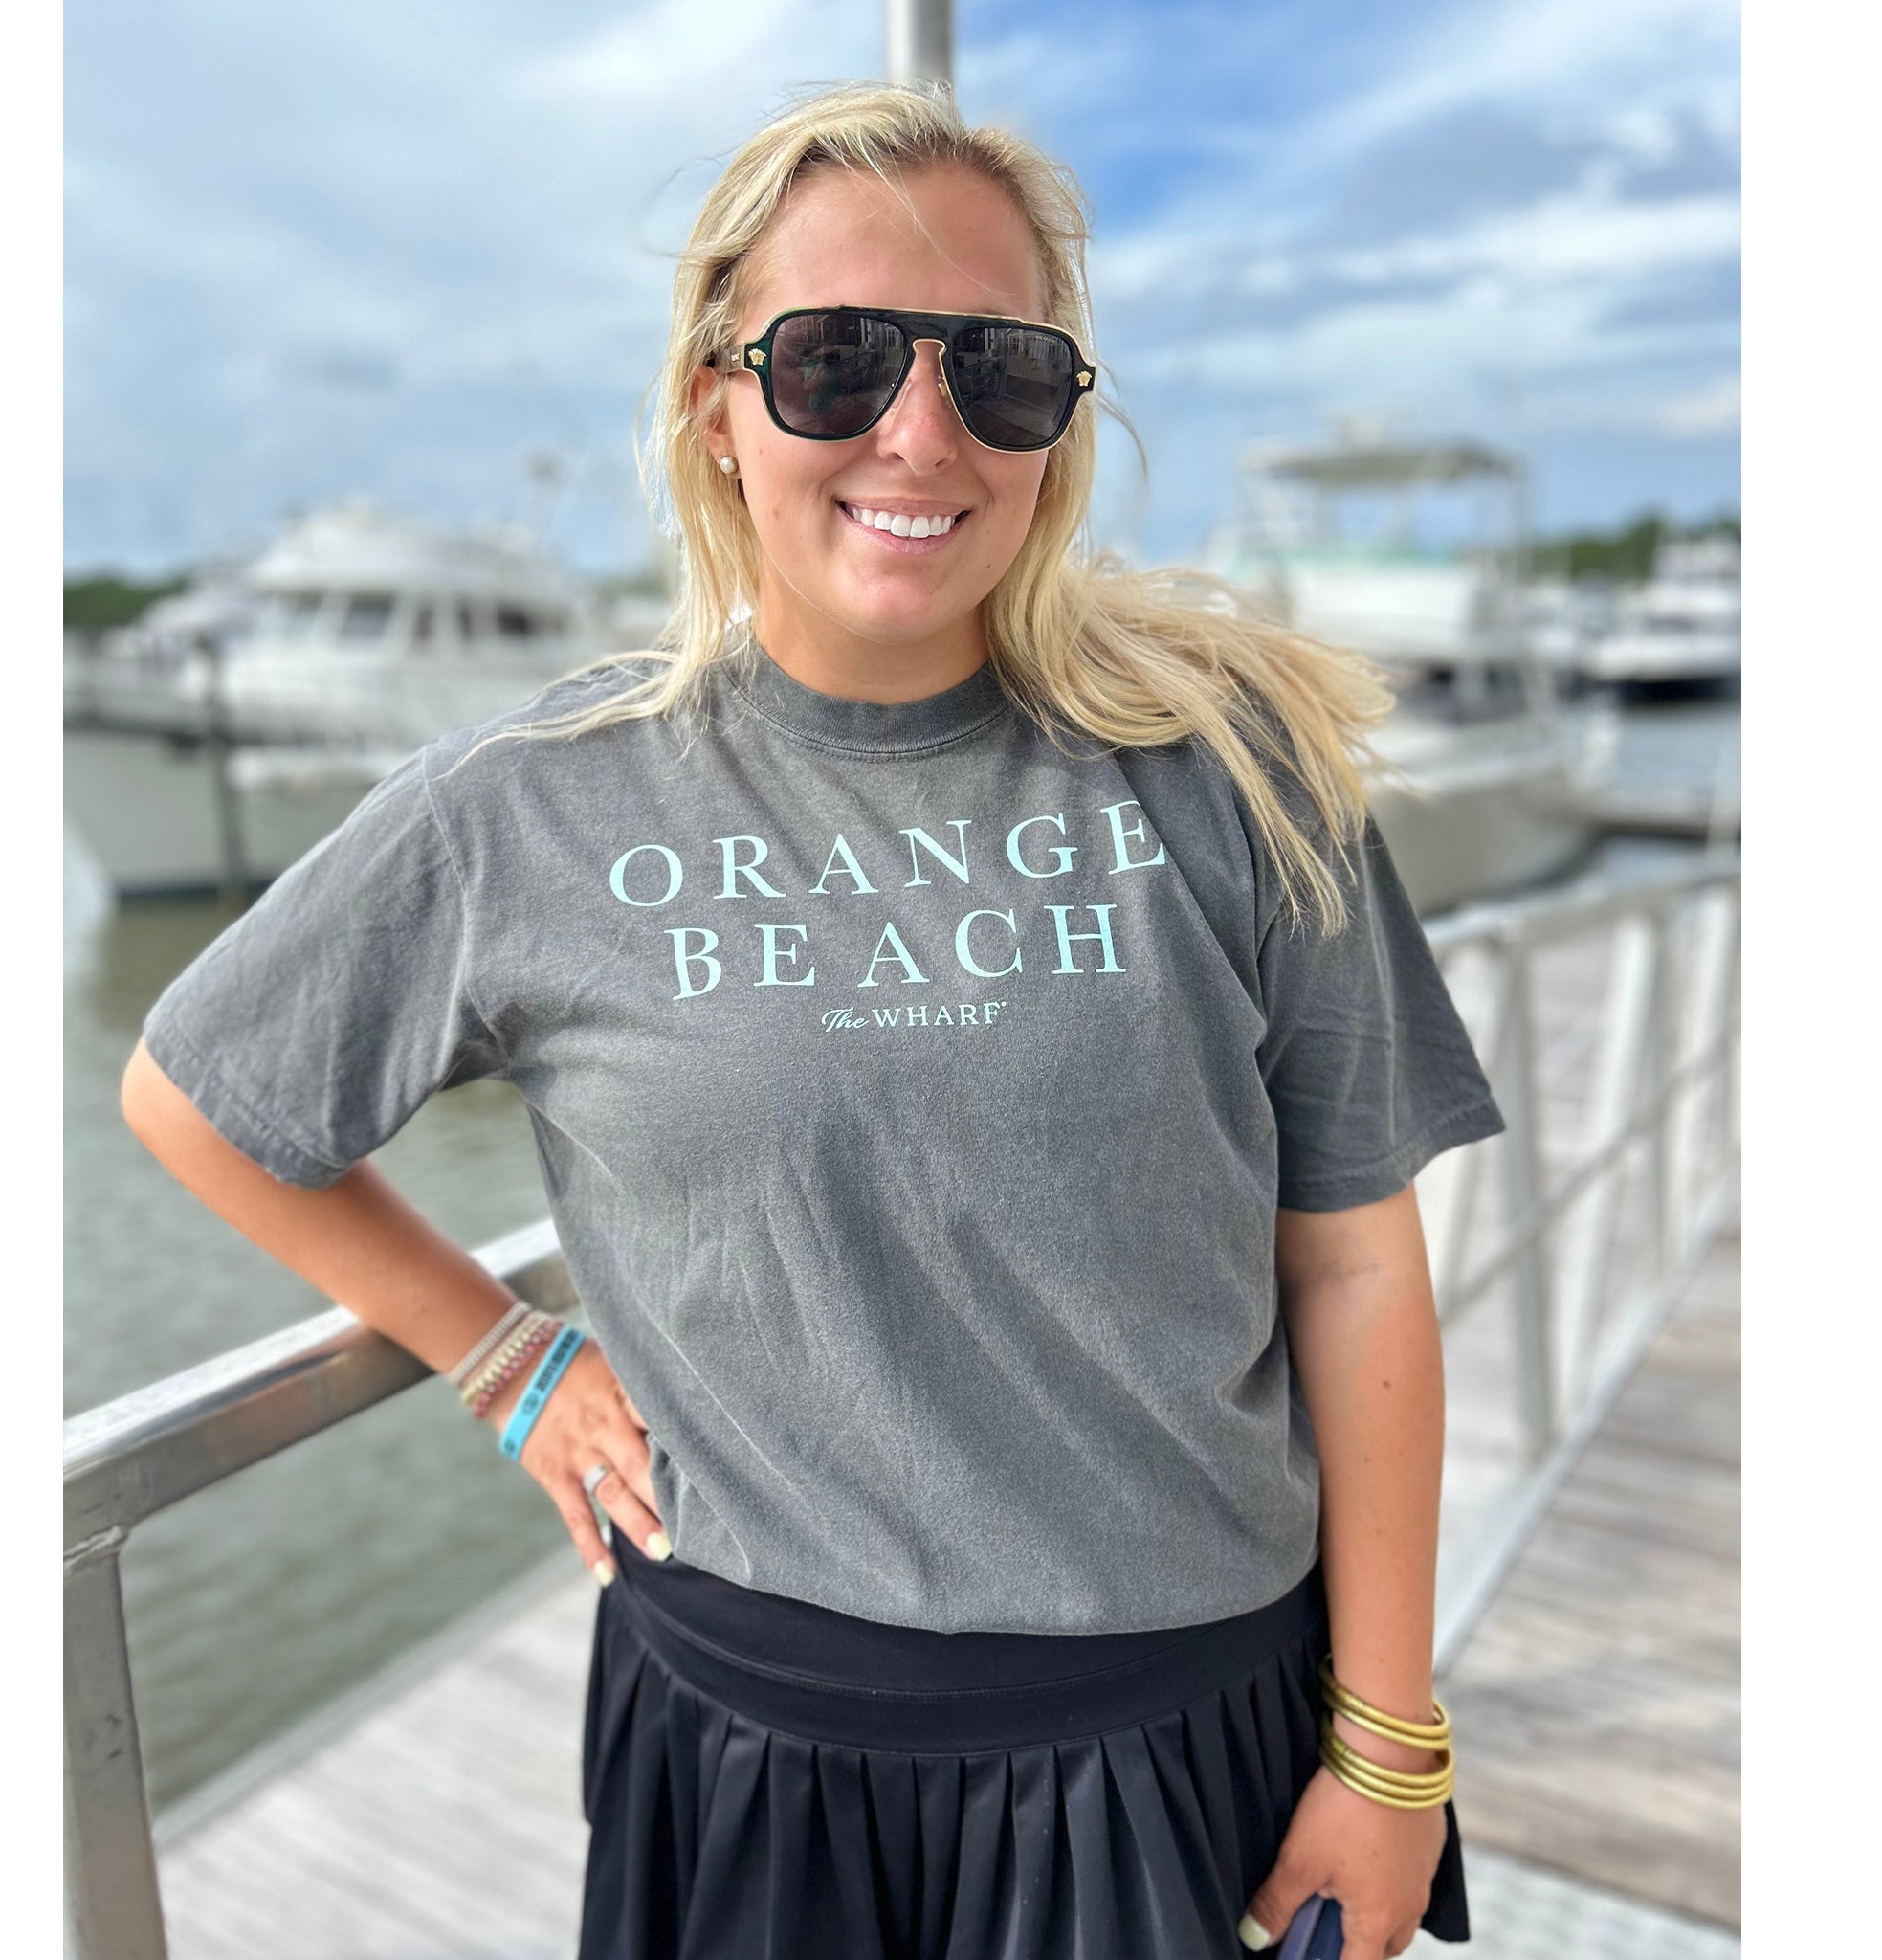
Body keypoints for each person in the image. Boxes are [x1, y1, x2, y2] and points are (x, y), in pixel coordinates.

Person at [122, 78, 1504, 1960]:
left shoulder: (1232, 768)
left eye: (999, 371)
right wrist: (501, 1356)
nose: (920, 431)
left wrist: (1390, 1744)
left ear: (1059, 420)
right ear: (715, 397)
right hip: (748, 1755)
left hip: (1182, 1736)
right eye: (836, 359)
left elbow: (1354, 1270)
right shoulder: (528, 805)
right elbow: (202, 1093)